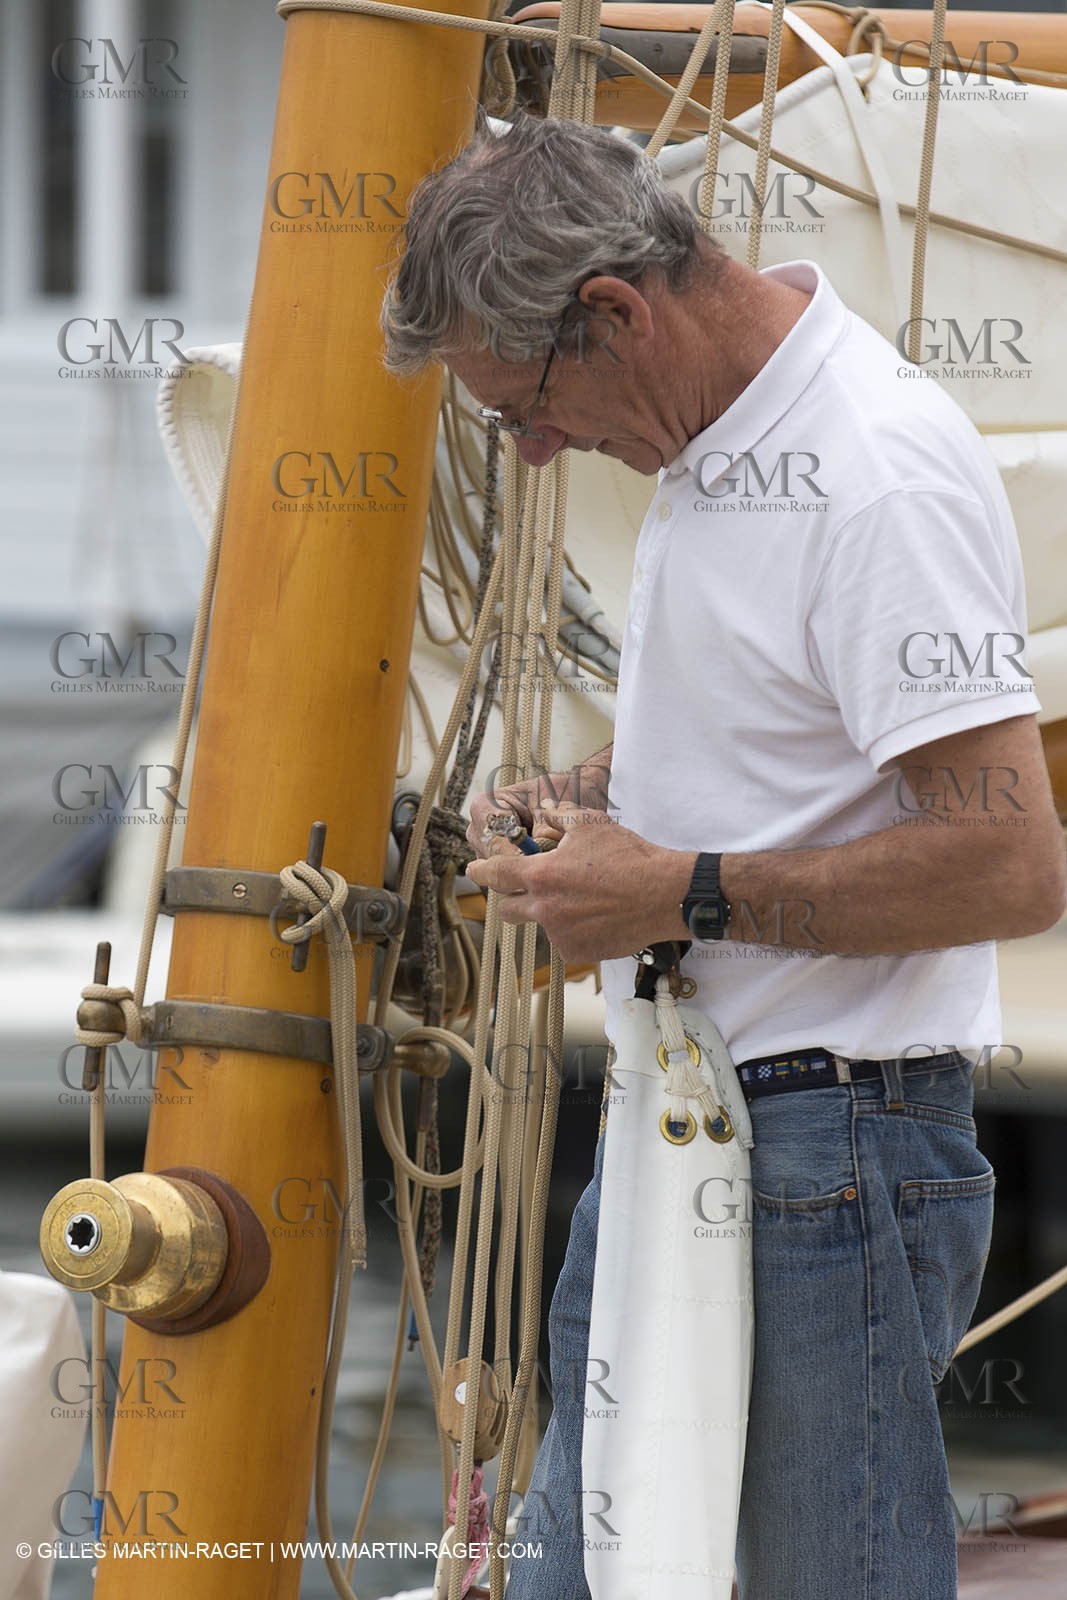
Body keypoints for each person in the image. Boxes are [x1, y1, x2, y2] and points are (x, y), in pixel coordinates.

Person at [381, 112, 1067, 1600]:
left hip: (831, 1155)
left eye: (522, 407)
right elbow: (794, 744)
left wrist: (673, 890)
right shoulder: (718, 442)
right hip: (693, 1133)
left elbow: (1011, 866)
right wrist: (602, 800)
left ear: (614, 314)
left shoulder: (870, 472)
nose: (536, 447)